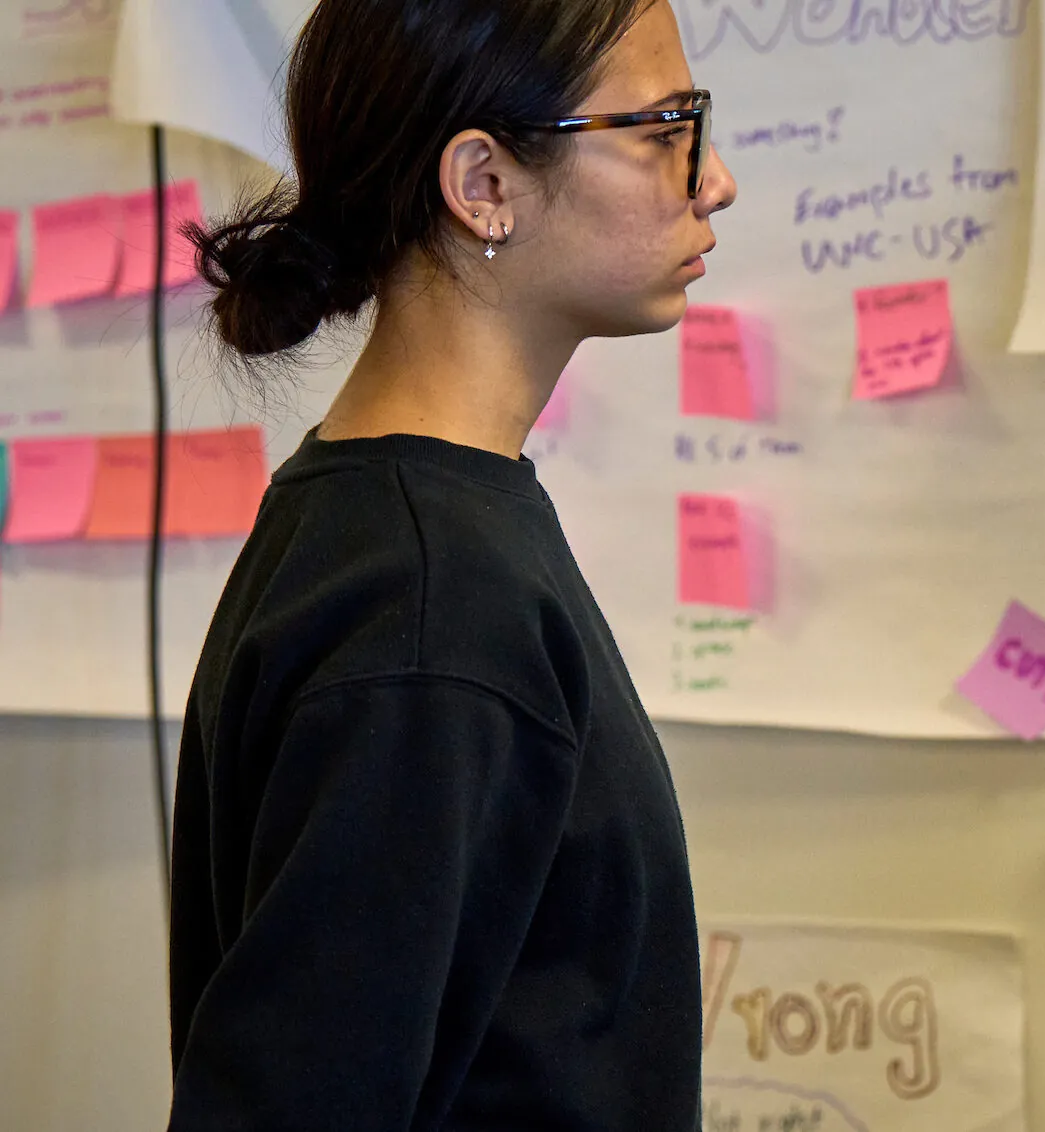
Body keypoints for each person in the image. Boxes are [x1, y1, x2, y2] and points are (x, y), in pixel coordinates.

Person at [167, 0, 736, 1127]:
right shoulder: (429, 605)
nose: (713, 181)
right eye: (666, 129)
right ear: (484, 184)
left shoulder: (414, 530)